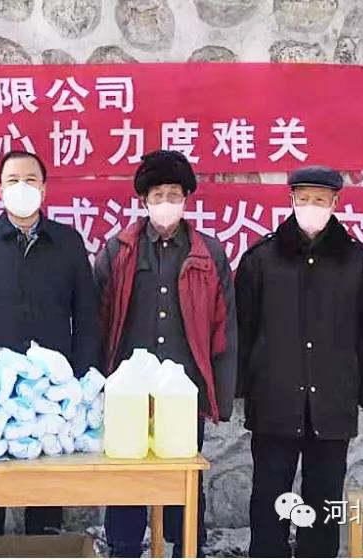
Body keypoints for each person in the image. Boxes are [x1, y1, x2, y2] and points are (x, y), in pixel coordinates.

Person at [236, 165, 363, 557]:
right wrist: (237, 389)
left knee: (324, 495)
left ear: (335, 202)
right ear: (291, 200)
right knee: (270, 492)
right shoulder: (261, 259)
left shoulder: (357, 261)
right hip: (275, 397)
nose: (311, 206)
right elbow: (243, 327)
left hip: (332, 398)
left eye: (320, 200)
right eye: (304, 198)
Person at [0, 150, 100, 537]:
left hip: (51, 390)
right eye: (13, 180)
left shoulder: (67, 242)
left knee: (46, 486)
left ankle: (44, 545)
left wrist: (83, 381)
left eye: (30, 179)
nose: (22, 187)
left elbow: (86, 315)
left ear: (44, 189)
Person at [94, 150, 237, 557]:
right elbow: (97, 318)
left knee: (184, 479)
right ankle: (123, 549)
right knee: (127, 478)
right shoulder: (118, 251)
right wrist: (98, 386)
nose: (166, 202)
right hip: (127, 394)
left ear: (187, 197)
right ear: (143, 199)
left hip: (184, 395)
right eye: (157, 195)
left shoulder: (209, 253)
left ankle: (186, 549)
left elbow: (224, 327)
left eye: (174, 194)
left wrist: (219, 397)